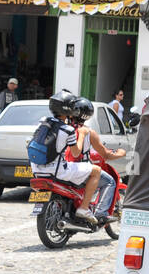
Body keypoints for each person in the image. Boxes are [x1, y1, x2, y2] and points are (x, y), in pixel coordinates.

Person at [31, 91, 103, 225]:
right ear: (68, 109)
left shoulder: (42, 123)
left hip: (36, 170)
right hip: (57, 171)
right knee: (96, 171)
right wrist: (81, 135)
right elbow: (76, 153)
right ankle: (84, 208)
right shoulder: (67, 130)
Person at [68, 97, 127, 221]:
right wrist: (121, 153)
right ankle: (101, 214)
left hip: (61, 169)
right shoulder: (88, 132)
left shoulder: (64, 128)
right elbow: (106, 155)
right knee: (110, 181)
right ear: (88, 115)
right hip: (78, 170)